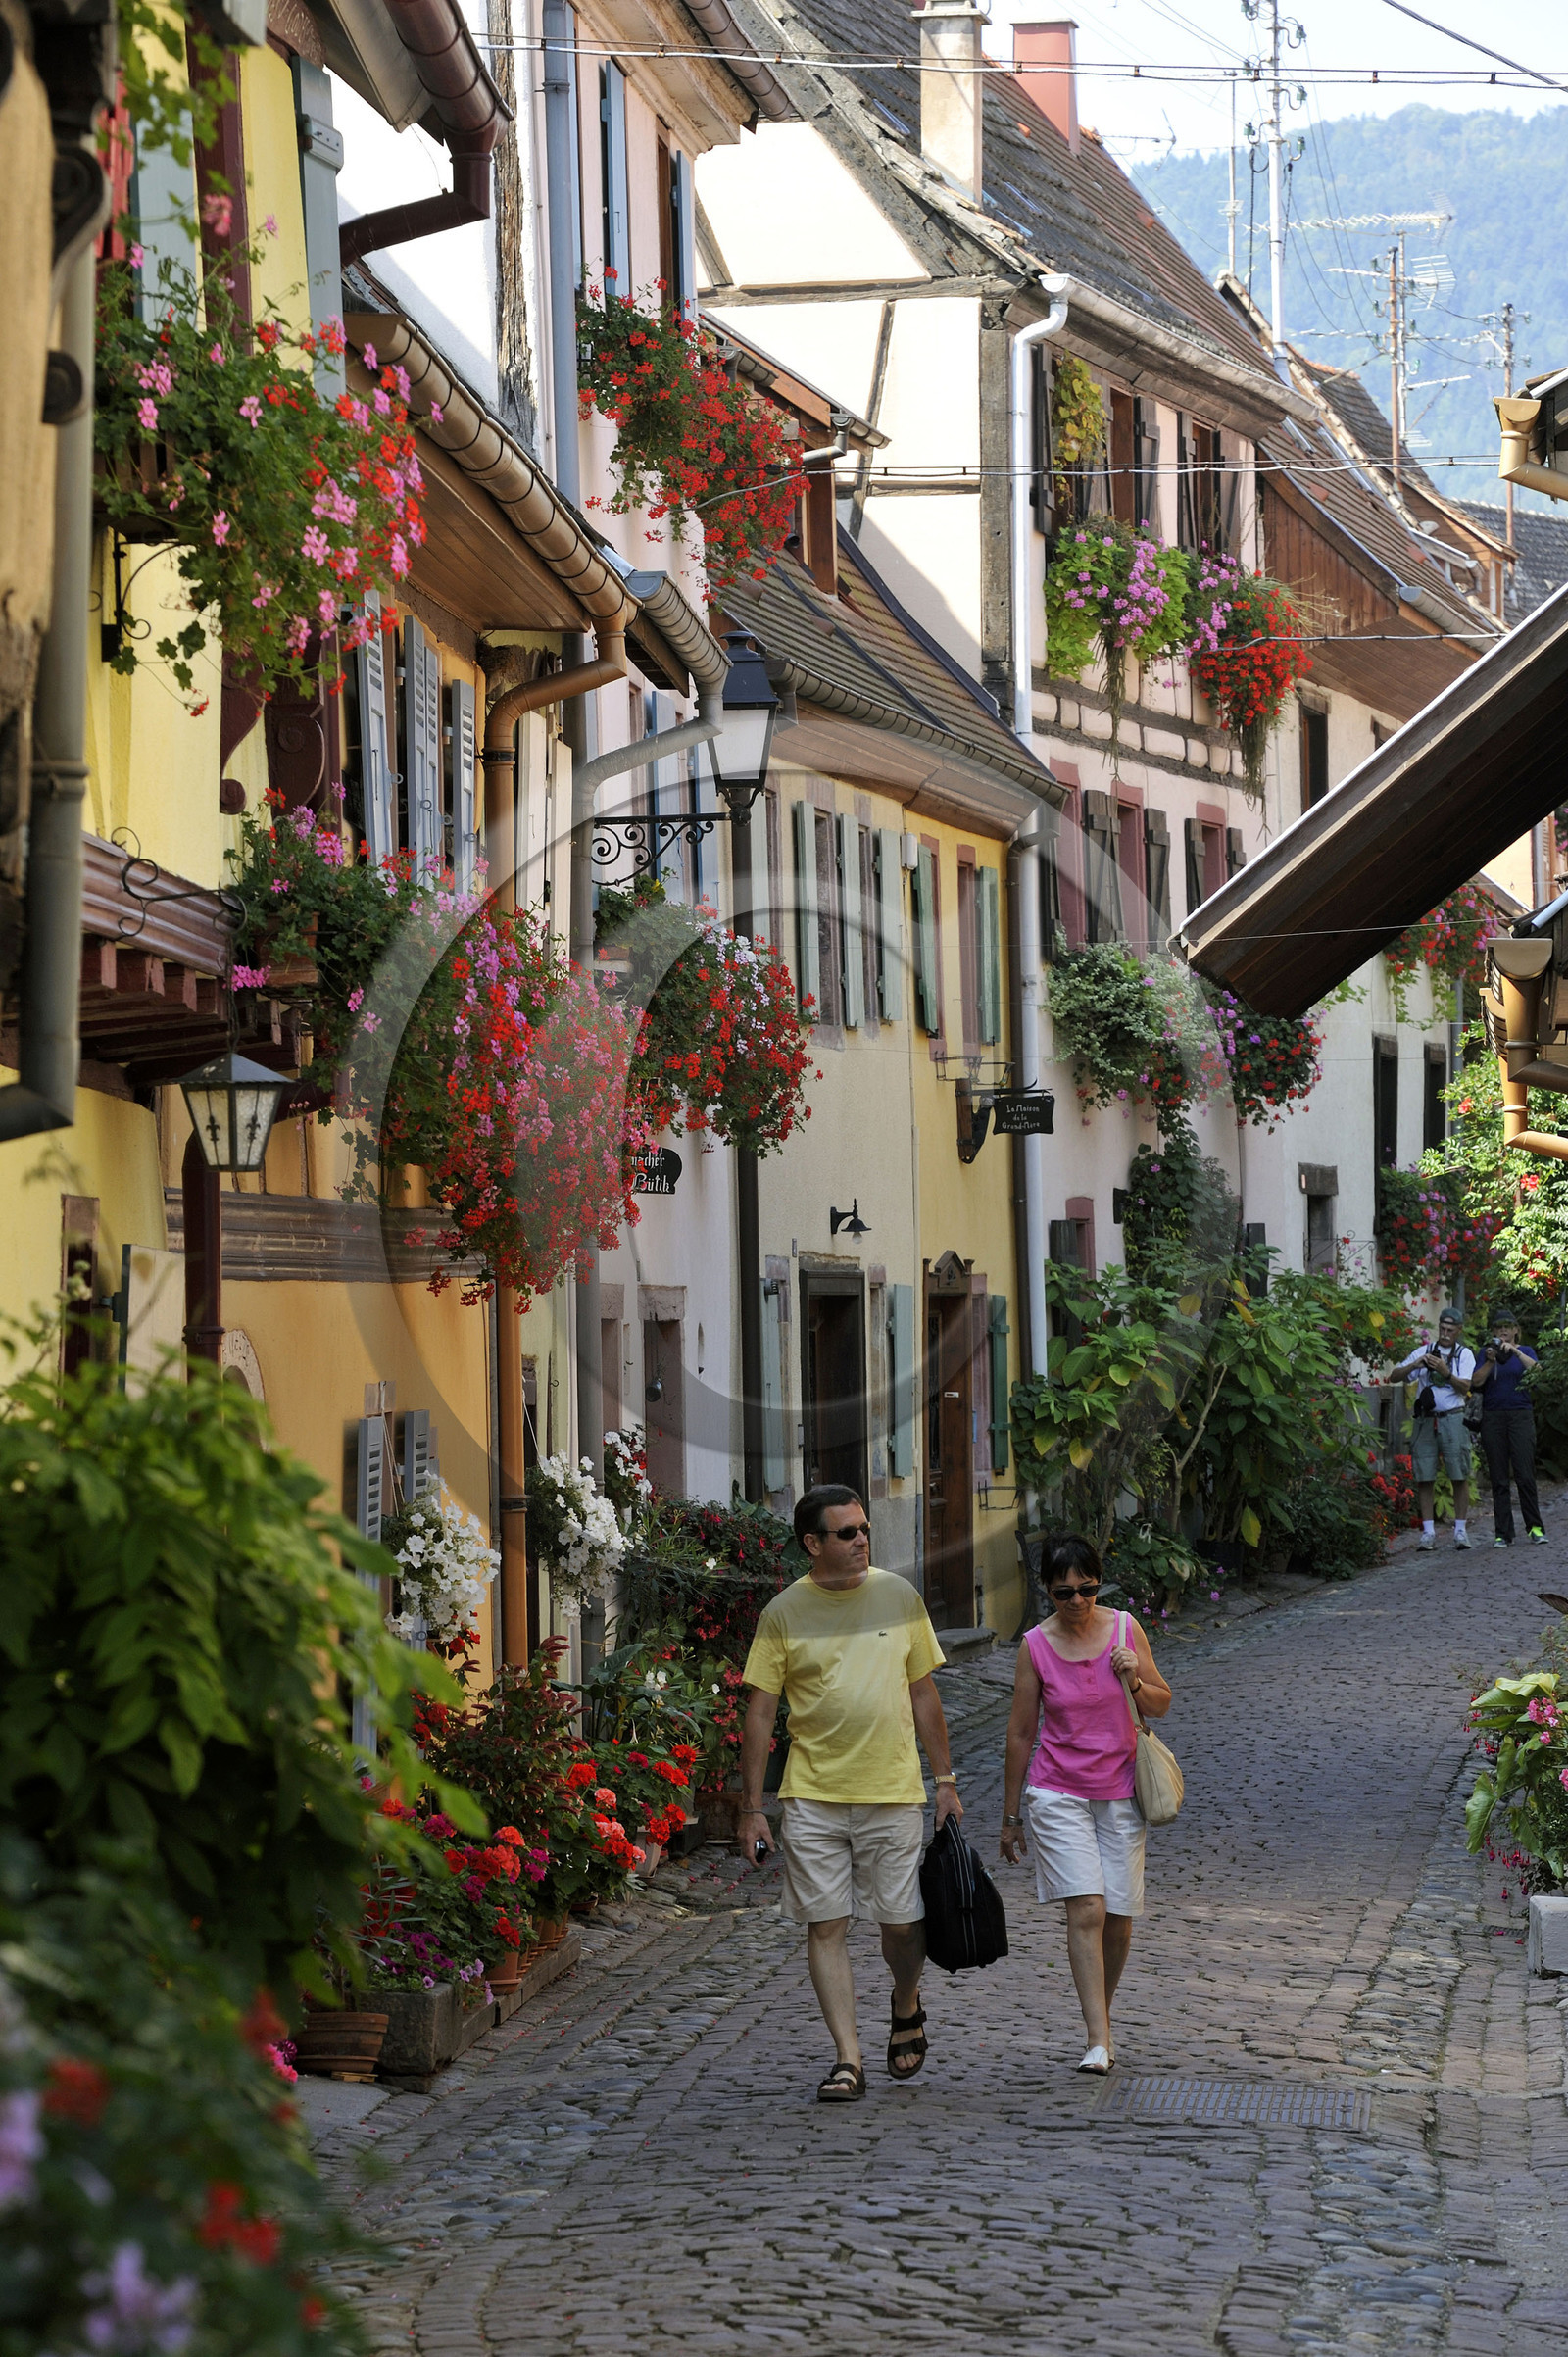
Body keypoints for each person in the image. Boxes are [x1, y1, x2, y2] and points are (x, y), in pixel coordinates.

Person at [739, 1485, 961, 2104]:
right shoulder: (783, 1612)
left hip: (892, 1791)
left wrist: (944, 1782)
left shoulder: (899, 1596)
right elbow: (760, 1713)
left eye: (865, 1528)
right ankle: (848, 2058)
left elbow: (924, 1694)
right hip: (811, 1794)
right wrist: (752, 1807)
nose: (862, 1539)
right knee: (825, 1923)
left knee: (902, 1925)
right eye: (847, 1532)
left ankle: (905, 1999)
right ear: (812, 1544)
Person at [999, 1533, 1170, 2076]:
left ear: (1099, 1584)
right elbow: (1021, 1734)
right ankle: (1097, 2037)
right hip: (1058, 1792)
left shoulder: (1125, 1629)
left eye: (1087, 1589)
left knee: (1118, 1917)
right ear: (1046, 1590)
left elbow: (1162, 1703)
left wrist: (1134, 1678)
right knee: (1088, 1908)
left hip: (1121, 1788)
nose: (1076, 1601)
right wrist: (1010, 1816)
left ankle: (1103, 2018)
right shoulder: (1035, 1645)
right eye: (1063, 1592)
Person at [1392, 1307, 1476, 1550]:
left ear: (1459, 1330)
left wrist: (1445, 1372)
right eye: (1442, 1329)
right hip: (1426, 1420)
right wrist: (1415, 1365)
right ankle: (1428, 1533)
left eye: (1451, 1330)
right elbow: (1394, 1376)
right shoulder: (1425, 1351)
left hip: (1453, 1418)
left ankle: (1460, 1531)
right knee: (1424, 1475)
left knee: (1459, 1474)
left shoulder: (1464, 1354)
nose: (1446, 1333)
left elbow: (1465, 1387)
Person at [1471, 1310, 1546, 1547]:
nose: (1504, 1330)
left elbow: (1537, 1372)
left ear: (1516, 1330)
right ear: (1493, 1331)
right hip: (1493, 1418)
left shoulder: (1525, 1351)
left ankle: (1535, 1528)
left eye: (1508, 1326)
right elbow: (1476, 1382)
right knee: (1499, 1478)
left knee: (1525, 1474)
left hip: (1520, 1417)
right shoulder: (1485, 1353)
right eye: (1499, 1327)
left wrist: (1513, 1350)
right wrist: (1491, 1360)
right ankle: (1503, 1533)